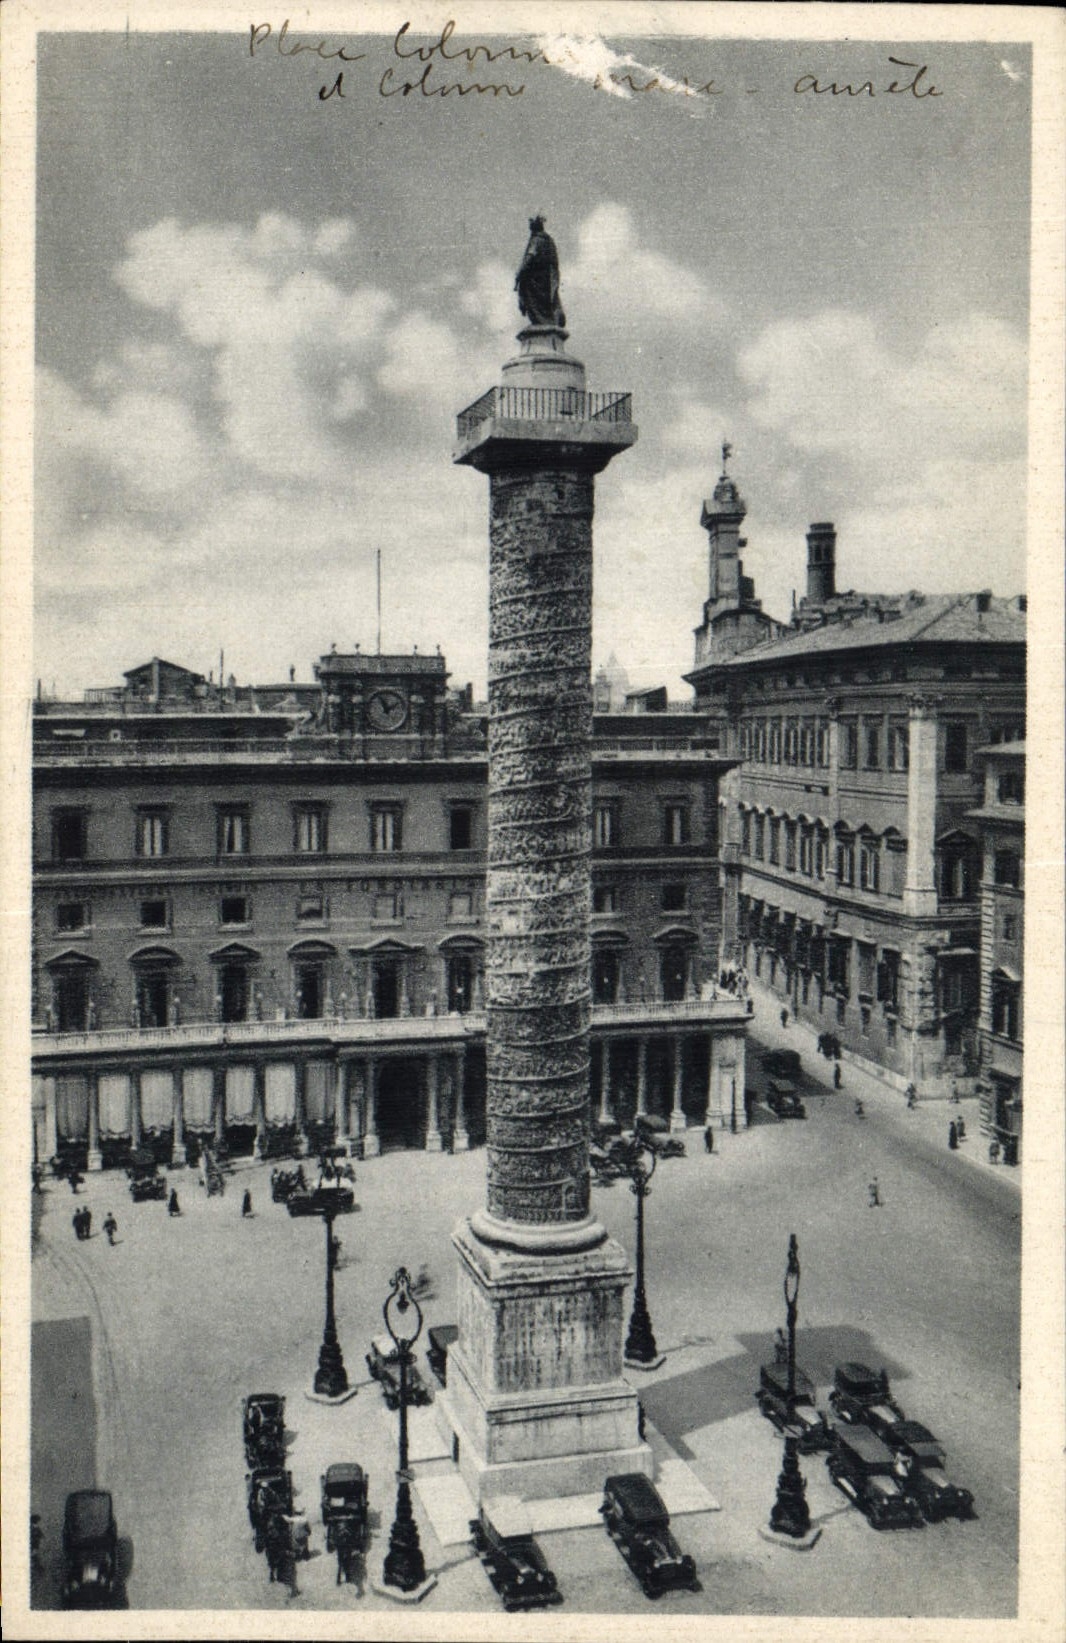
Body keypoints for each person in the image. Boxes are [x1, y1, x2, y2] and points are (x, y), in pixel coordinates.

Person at [515, 215, 566, 328]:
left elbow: (529, 257)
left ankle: (541, 320)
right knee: (545, 301)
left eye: (531, 223)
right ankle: (547, 319)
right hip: (547, 279)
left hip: (536, 281)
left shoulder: (536, 240)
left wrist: (519, 273)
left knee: (530, 295)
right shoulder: (549, 240)